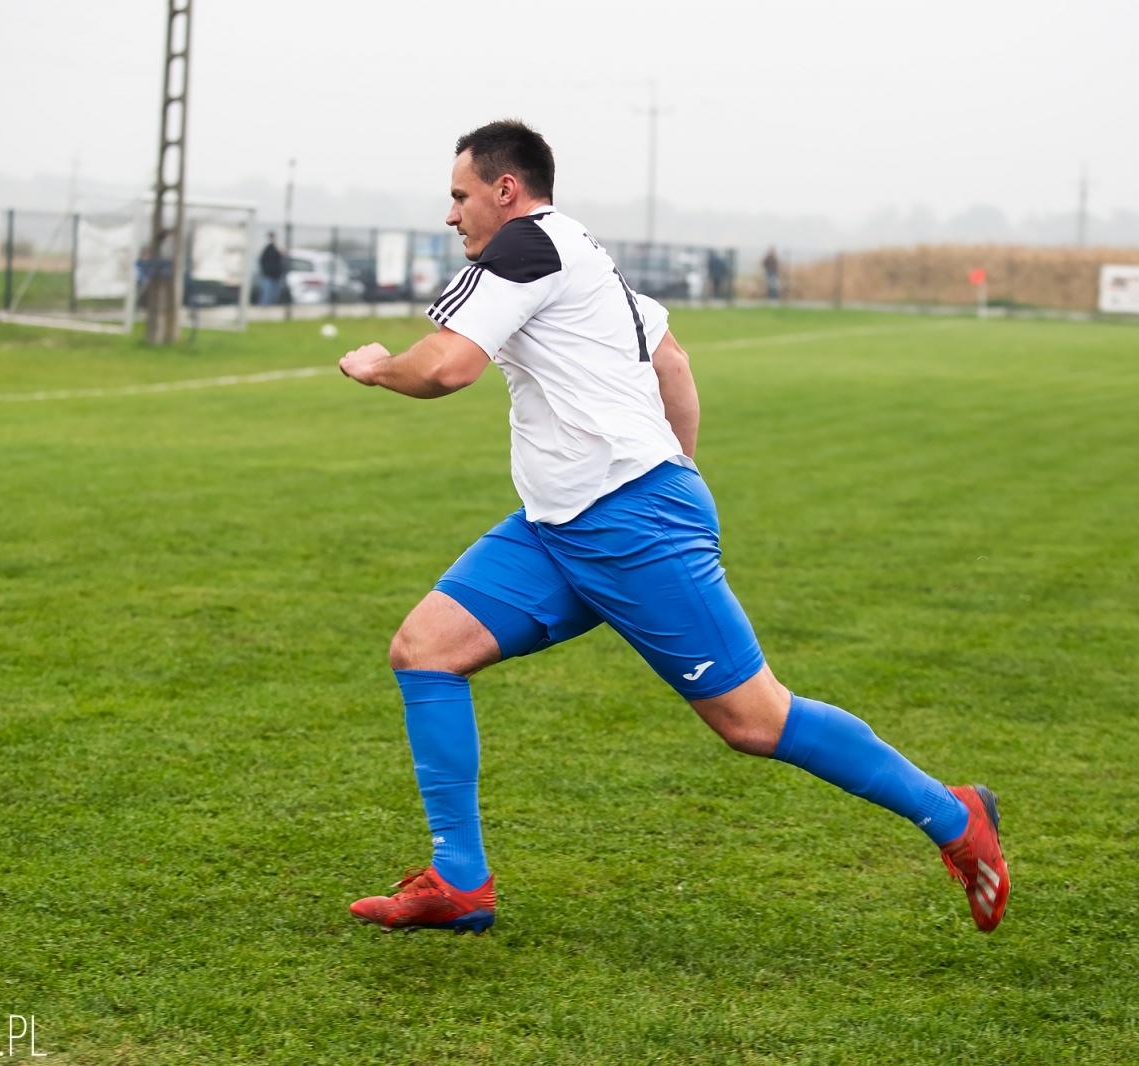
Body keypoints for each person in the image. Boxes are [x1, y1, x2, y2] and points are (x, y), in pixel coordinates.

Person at [337, 120, 1008, 936]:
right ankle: (459, 881)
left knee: (753, 720)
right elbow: (673, 364)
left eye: (459, 195)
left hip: (628, 522)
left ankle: (957, 815)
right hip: (560, 527)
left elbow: (448, 366)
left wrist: (377, 366)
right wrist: (679, 471)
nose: (451, 215)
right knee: (425, 650)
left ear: (505, 190)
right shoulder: (585, 255)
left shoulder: (525, 245)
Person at [258, 232, 286, 306]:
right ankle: (262, 310)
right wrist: (266, 271)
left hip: (276, 276)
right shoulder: (267, 249)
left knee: (273, 297)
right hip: (268, 276)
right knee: (267, 296)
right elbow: (262, 262)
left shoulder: (275, 249)